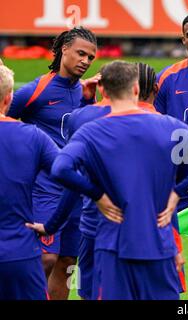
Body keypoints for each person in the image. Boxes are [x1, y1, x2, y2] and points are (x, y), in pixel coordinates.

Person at [48, 61, 188, 300]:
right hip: (158, 242)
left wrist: (97, 195)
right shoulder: (168, 126)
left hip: (112, 243)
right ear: (136, 89)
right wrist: (178, 191)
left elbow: (60, 169)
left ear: (103, 90)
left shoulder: (91, 130)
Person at [27, 62, 164, 299]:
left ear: (102, 87)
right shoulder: (163, 124)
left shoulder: (83, 119)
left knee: (94, 293)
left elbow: (66, 172)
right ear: (136, 89)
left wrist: (53, 223)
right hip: (147, 230)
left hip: (96, 226)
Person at [6, 27, 98, 300]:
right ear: (63, 50)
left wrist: (92, 99)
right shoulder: (35, 90)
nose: (86, 60)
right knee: (46, 258)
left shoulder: (87, 93)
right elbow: (6, 124)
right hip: (45, 190)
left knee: (68, 262)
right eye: (81, 53)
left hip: (77, 191)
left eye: (91, 57)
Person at [0, 65, 59, 300]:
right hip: (19, 253)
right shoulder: (33, 137)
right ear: (9, 98)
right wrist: (52, 224)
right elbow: (75, 180)